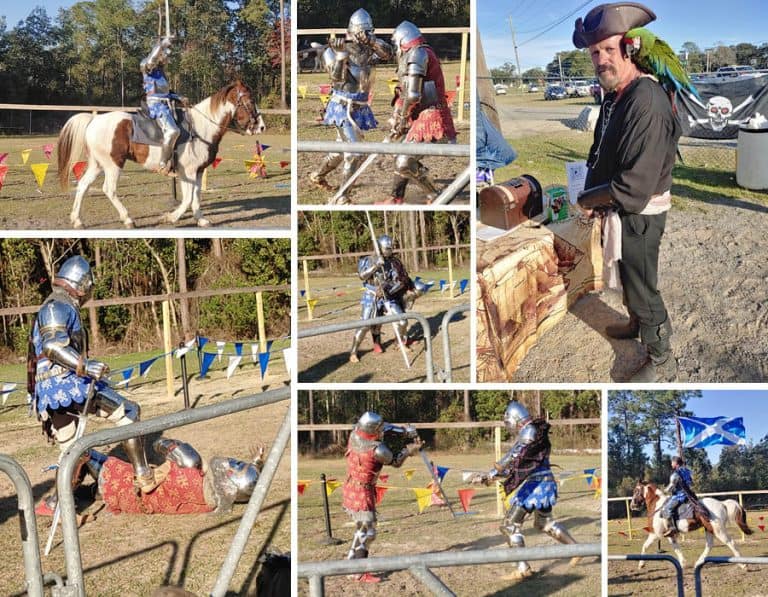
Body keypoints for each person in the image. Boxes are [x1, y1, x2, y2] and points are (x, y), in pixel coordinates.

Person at [573, 2, 681, 382]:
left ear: (629, 49)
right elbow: (601, 149)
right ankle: (635, 323)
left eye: (608, 49)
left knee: (642, 286)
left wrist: (588, 200)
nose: (601, 59)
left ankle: (660, 352)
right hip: (618, 209)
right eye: (594, 52)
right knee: (626, 275)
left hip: (639, 215)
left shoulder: (645, 101)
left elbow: (633, 188)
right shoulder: (616, 94)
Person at [29, 255, 156, 516]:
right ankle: (143, 476)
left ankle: (58, 504)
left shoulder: (59, 304)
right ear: (83, 284)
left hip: (52, 389)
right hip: (65, 384)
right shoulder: (57, 307)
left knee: (73, 449)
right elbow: (53, 346)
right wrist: (84, 366)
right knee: (129, 413)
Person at [473, 401, 578, 579]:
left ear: (514, 419)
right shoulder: (533, 431)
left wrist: (492, 474)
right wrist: (488, 477)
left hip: (537, 486)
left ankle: (523, 569)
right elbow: (518, 464)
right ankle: (577, 550)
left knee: (509, 526)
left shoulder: (529, 432)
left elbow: (514, 457)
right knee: (544, 523)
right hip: (542, 483)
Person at [309, 9, 393, 204]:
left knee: (341, 149)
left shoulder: (371, 50)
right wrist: (340, 56)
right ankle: (342, 196)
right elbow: (336, 78)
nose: (365, 36)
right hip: (342, 107)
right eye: (362, 33)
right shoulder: (333, 51)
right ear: (353, 31)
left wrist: (372, 41)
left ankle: (318, 175)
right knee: (354, 153)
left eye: (368, 32)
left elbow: (388, 54)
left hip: (360, 107)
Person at [381, 21, 457, 205]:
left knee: (403, 160)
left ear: (401, 40)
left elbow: (413, 95)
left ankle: (435, 196)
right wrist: (397, 117)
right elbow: (406, 93)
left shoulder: (418, 53)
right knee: (400, 156)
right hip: (422, 115)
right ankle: (396, 197)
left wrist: (402, 119)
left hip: (432, 117)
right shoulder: (417, 53)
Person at [342, 412, 422, 582]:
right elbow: (395, 462)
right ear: (373, 430)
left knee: (361, 528)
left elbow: (386, 428)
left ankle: (351, 563)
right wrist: (408, 450)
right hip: (362, 493)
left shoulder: (355, 433)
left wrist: (405, 431)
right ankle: (358, 571)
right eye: (379, 429)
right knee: (368, 531)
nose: (382, 430)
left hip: (351, 486)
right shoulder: (378, 450)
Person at [349, 234, 426, 362]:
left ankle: (399, 342)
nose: (390, 250)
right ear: (380, 248)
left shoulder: (393, 262)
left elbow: (398, 280)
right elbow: (362, 276)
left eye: (390, 248)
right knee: (365, 325)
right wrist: (376, 266)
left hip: (387, 295)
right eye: (387, 248)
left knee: (402, 321)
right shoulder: (367, 260)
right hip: (371, 295)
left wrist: (387, 287)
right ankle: (353, 352)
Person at [140, 36, 186, 176]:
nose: (167, 60)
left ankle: (176, 162)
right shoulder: (147, 68)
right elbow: (150, 61)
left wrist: (179, 97)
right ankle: (162, 164)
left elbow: (165, 93)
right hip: (156, 106)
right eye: (164, 57)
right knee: (173, 132)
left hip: (167, 104)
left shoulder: (161, 74)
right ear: (158, 56)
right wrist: (162, 44)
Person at [661, 455, 695, 537]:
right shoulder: (688, 471)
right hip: (690, 494)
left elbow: (670, 487)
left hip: (680, 496)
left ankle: (672, 528)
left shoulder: (675, 474)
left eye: (672, 462)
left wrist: (664, 491)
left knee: (667, 508)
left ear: (676, 463)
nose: (671, 464)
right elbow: (691, 483)